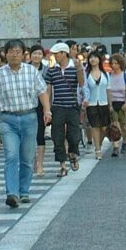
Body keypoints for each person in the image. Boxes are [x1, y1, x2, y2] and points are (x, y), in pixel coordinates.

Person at [0, 39, 51, 208]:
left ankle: (24, 191)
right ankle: (12, 193)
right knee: (11, 155)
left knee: (27, 158)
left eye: (17, 51)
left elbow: (42, 92)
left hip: (29, 118)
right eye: (10, 51)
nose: (14, 54)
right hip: (7, 120)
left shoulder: (31, 72)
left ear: (23, 54)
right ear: (5, 54)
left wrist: (47, 110)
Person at [45, 42, 85, 176]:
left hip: (72, 106)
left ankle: (73, 153)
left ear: (64, 53)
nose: (55, 56)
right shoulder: (51, 70)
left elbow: (81, 83)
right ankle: (62, 165)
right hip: (57, 107)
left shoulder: (75, 68)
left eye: (57, 54)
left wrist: (79, 68)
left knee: (74, 135)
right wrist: (48, 109)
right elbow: (48, 90)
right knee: (57, 137)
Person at [83, 50, 111, 160]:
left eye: (95, 57)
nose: (93, 59)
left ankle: (98, 144)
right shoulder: (86, 74)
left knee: (104, 128)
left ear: (99, 59)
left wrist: (110, 104)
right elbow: (84, 88)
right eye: (91, 57)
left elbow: (108, 89)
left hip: (104, 103)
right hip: (92, 103)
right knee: (95, 126)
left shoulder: (106, 74)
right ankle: (98, 149)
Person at [106, 51, 126, 157]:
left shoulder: (125, 76)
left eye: (116, 63)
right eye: (112, 63)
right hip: (113, 102)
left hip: (123, 102)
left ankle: (125, 142)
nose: (114, 65)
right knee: (115, 125)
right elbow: (108, 90)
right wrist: (110, 104)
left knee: (124, 125)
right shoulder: (109, 76)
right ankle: (115, 146)